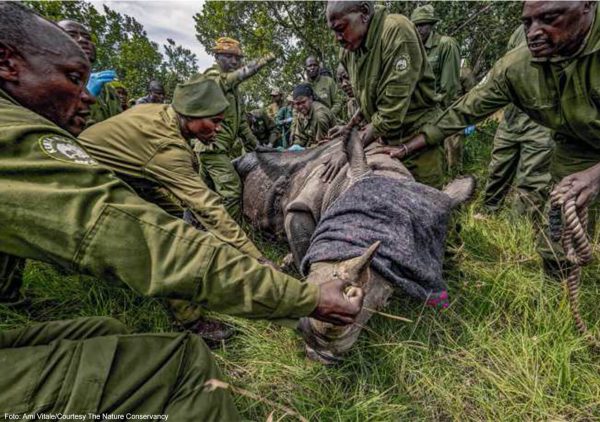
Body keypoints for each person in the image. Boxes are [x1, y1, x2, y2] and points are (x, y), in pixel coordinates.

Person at [0, 3, 363, 417]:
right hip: (102, 184)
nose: (85, 96)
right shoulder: (164, 148)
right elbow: (172, 232)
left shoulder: (162, 119)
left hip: (127, 179)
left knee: (106, 331)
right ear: (7, 64)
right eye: (71, 78)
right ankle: (192, 320)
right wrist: (282, 281)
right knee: (183, 351)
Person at [392, 0, 600, 278]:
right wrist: (407, 146)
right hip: (577, 145)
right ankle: (558, 285)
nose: (534, 32)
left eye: (550, 18)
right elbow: (464, 111)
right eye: (527, 22)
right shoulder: (517, 66)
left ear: (587, 6)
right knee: (561, 218)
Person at [324, 0, 444, 188]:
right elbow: (368, 99)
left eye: (341, 28)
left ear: (364, 13)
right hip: (384, 142)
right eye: (333, 31)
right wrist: (350, 127)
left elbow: (390, 114)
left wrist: (349, 150)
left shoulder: (397, 32)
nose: (337, 38)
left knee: (425, 207)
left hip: (417, 142)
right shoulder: (350, 51)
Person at [194, 37, 272, 220]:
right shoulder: (211, 77)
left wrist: (257, 146)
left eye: (237, 58)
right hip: (212, 148)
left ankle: (195, 226)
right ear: (217, 56)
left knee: (202, 194)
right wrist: (256, 65)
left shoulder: (235, 90)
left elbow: (241, 125)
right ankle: (229, 238)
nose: (235, 61)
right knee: (232, 191)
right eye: (229, 57)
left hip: (213, 150)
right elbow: (224, 82)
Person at [483, 26, 554, 217]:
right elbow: (508, 67)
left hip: (542, 120)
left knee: (532, 178)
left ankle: (521, 228)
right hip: (512, 116)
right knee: (498, 166)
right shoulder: (519, 31)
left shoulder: (563, 27)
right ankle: (490, 210)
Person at [411, 4, 463, 175]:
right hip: (423, 112)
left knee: (452, 149)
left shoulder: (445, 45)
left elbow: (449, 86)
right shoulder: (413, 48)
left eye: (423, 25)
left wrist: (442, 112)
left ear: (432, 25)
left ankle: (454, 185)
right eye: (416, 25)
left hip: (444, 109)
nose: (419, 29)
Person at [57, 19, 122, 126]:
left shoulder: (108, 90)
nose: (82, 40)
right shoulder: (49, 83)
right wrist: (85, 98)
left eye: (87, 38)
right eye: (71, 35)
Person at [290, 83, 336, 148]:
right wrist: (296, 145)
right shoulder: (301, 114)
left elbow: (322, 144)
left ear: (311, 99)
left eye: (303, 102)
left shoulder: (320, 115)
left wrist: (305, 149)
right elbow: (300, 138)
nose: (300, 106)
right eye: (297, 104)